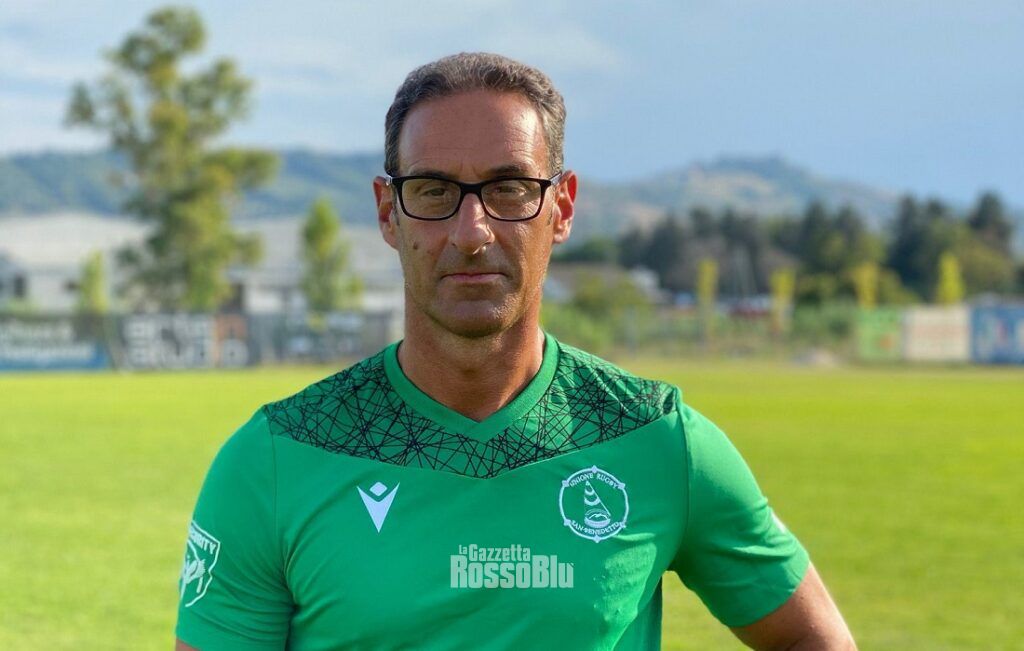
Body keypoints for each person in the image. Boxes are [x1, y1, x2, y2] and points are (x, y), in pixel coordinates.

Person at [175, 52, 856, 650]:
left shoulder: (658, 440)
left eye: (509, 189)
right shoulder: (276, 458)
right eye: (434, 191)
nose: (472, 231)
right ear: (388, 211)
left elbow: (811, 636)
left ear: (562, 207)